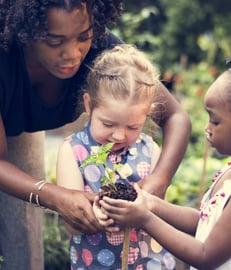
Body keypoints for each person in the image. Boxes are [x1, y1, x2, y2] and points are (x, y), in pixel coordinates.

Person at [0, 1, 191, 269]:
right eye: (55, 41)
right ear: (26, 32)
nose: (73, 54)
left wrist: (158, 181)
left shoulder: (101, 51)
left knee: (21, 237)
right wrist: (57, 196)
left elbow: (176, 117)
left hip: (16, 118)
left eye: (83, 36)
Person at [96, 40, 231, 269]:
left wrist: (145, 219)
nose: (207, 128)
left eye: (215, 121)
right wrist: (151, 204)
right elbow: (205, 222)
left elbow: (206, 255)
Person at [56, 44, 176, 269]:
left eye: (133, 126)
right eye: (108, 124)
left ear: (147, 114)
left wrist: (145, 208)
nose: (119, 135)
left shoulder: (150, 150)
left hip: (148, 262)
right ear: (89, 106)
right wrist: (95, 217)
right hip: (96, 262)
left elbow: (162, 210)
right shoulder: (73, 151)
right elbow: (71, 221)